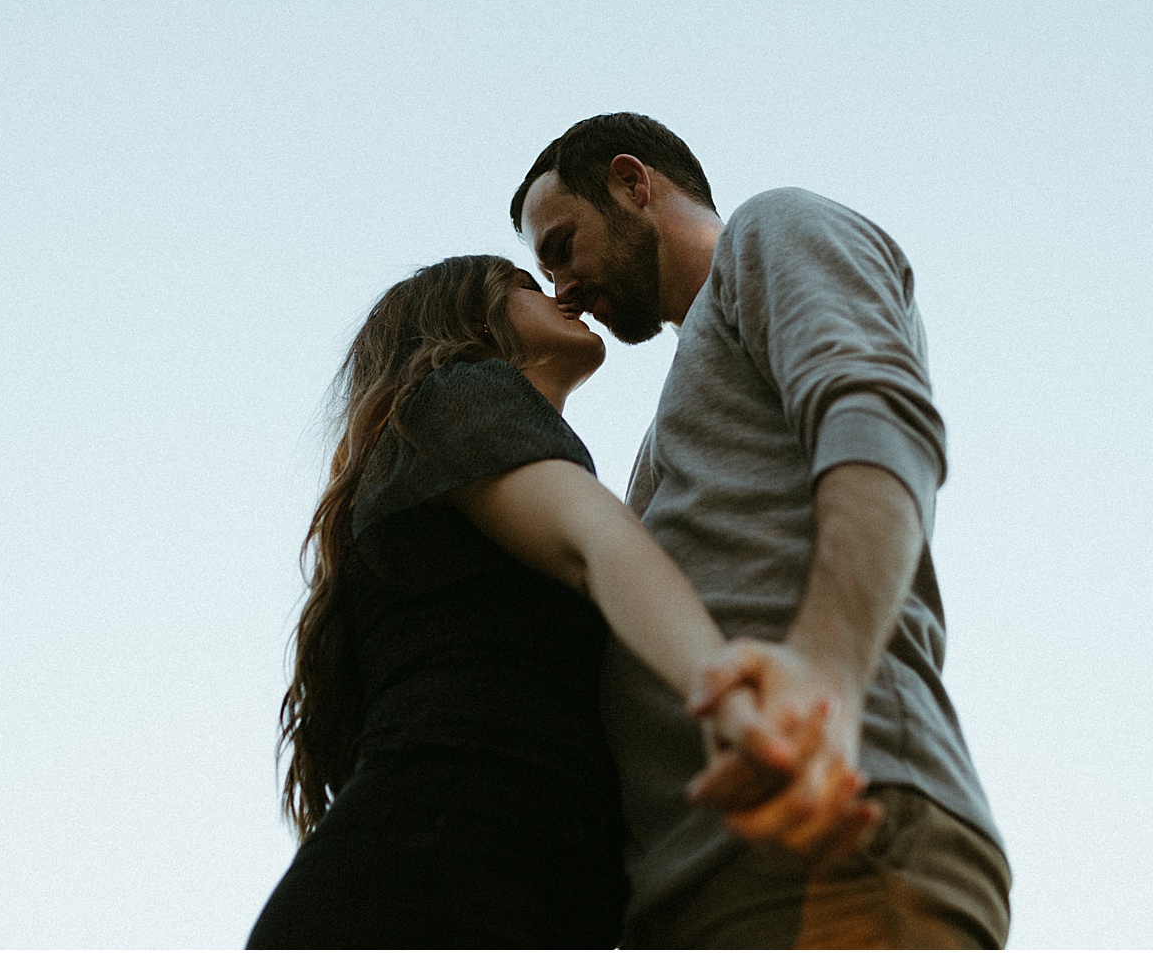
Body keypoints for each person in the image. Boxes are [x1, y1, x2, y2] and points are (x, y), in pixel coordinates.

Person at [246, 254, 870, 948]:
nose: (562, 293)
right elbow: (597, 542)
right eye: (524, 285)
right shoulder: (455, 394)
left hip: (505, 883)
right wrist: (729, 697)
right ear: (467, 320)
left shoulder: (468, 468)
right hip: (436, 877)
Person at [511, 112, 1012, 948]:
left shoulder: (773, 229)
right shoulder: (668, 424)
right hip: (697, 877)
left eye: (562, 245)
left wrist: (827, 673)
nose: (561, 285)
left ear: (634, 184)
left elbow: (879, 416)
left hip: (831, 826)